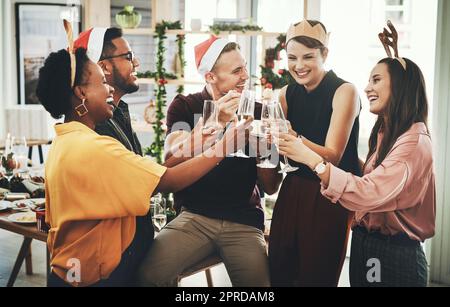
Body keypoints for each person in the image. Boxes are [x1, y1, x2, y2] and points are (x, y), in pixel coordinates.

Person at [36, 22, 251, 287]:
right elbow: (165, 179)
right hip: (96, 274)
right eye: (101, 82)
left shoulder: (67, 137)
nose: (109, 91)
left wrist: (208, 133)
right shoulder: (95, 145)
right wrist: (224, 145)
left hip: (78, 270)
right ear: (81, 93)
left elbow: (145, 173)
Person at [276, 21, 435, 287]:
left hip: (393, 251)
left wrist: (309, 156)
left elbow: (368, 191)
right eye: (292, 57)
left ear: (324, 55)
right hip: (367, 243)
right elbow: (374, 175)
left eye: (376, 80)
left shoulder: (412, 144)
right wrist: (394, 57)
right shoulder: (388, 132)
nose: (366, 88)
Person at [137, 36, 282, 287]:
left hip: (244, 222)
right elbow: (170, 162)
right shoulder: (185, 106)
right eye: (236, 71)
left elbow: (271, 187)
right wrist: (215, 122)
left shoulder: (258, 111)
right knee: (148, 276)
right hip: (195, 217)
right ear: (210, 77)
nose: (246, 76)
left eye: (245, 67)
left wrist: (265, 149)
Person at [268, 20, 361, 286]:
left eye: (308, 57)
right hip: (292, 188)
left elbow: (332, 155)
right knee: (280, 268)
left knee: (317, 275)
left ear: (325, 55)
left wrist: (293, 136)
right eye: (293, 58)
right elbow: (275, 150)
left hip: (329, 194)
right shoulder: (285, 94)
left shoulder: (345, 91)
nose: (299, 66)